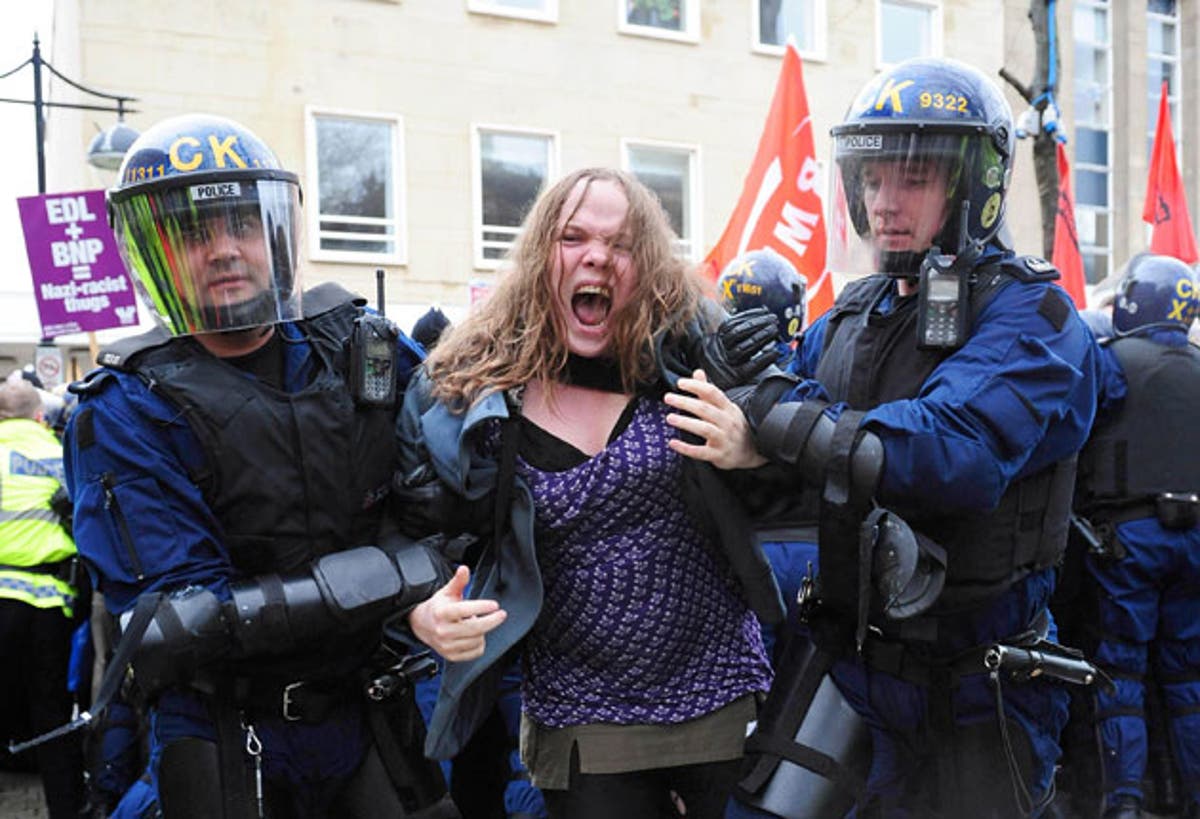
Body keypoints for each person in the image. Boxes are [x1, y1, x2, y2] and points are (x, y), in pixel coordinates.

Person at [685, 57, 1101, 817]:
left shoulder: (1037, 318)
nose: (885, 201)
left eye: (913, 178)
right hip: (846, 668)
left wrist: (770, 408)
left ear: (971, 186)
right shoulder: (851, 314)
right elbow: (780, 454)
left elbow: (949, 452)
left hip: (978, 690)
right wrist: (723, 380)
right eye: (872, 179)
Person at [63, 113, 462, 819]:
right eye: (193, 232)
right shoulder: (125, 403)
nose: (224, 249)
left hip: (366, 704)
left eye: (243, 224)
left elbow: (456, 497)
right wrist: (400, 579)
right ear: (150, 249)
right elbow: (177, 625)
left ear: (278, 234)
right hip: (224, 725)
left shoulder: (359, 349)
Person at [395, 166, 783, 819]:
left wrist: (754, 443)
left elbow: (790, 496)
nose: (597, 255)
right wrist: (419, 610)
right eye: (573, 236)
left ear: (647, 264)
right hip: (584, 719)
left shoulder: (694, 354)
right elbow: (415, 534)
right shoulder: (466, 391)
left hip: (721, 695)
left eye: (622, 242)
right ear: (542, 255)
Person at [1070, 253, 1200, 819]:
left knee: (1120, 670)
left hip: (1126, 541)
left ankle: (1123, 801)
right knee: (1189, 675)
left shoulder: (1111, 363)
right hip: (1195, 540)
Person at [0, 377, 85, 819]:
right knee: (51, 713)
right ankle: (66, 808)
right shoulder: (62, 454)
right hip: (51, 603)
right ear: (39, 415)